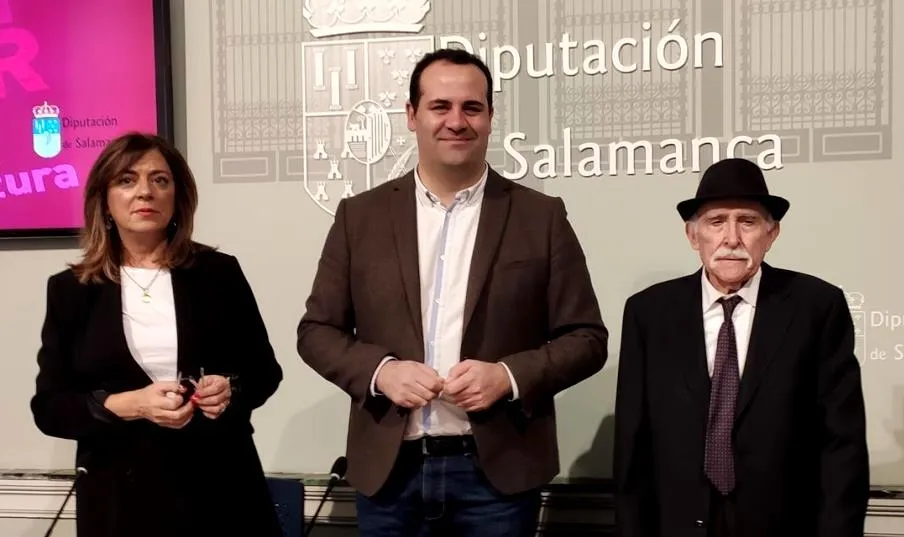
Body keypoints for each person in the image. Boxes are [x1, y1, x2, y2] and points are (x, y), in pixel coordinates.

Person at [297, 48, 608, 536]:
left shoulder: (540, 216)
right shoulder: (360, 217)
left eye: (472, 107)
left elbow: (586, 338)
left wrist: (507, 376)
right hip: (390, 474)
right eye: (440, 106)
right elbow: (317, 331)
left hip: (497, 478)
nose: (456, 121)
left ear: (490, 117)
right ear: (411, 116)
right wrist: (382, 372)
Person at [30, 132, 284, 537]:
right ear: (105, 200)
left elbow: (265, 373)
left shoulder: (219, 274)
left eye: (160, 180)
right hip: (119, 499)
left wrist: (230, 389)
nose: (145, 191)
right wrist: (129, 404)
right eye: (127, 180)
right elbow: (50, 407)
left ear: (177, 198)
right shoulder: (71, 290)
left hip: (221, 492)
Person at [613, 157, 869, 537]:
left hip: (785, 524)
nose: (731, 239)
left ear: (772, 233)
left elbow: (842, 445)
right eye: (716, 222)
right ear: (692, 235)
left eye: (747, 222)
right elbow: (632, 446)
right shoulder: (648, 313)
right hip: (679, 523)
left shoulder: (817, 306)